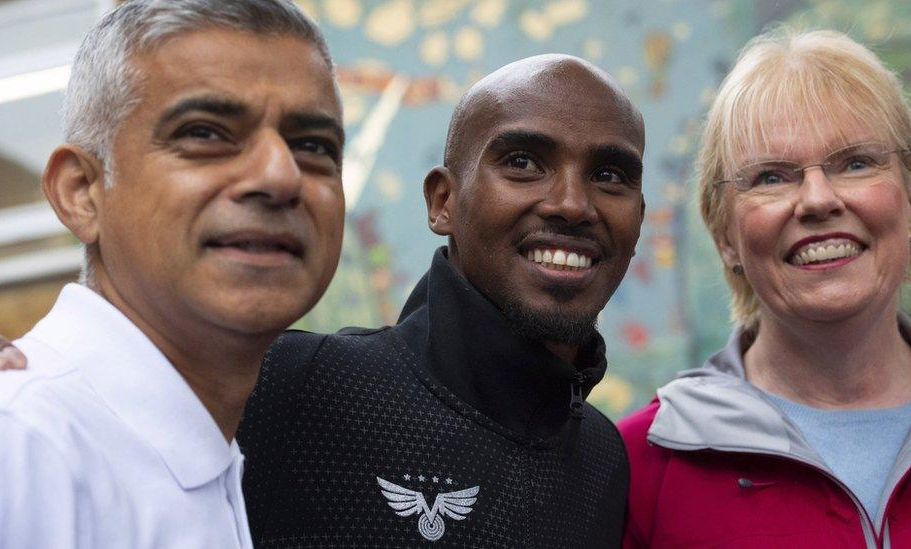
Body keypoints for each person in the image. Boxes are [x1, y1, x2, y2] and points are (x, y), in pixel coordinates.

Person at [236, 54, 645, 547]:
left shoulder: (603, 459)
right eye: (522, 163)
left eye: (609, 175)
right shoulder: (298, 386)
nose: (573, 204)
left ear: (639, 219)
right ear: (442, 202)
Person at [0, 1, 344, 547]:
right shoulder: (20, 442)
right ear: (81, 192)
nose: (281, 176)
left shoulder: (211, 449)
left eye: (313, 146)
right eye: (205, 133)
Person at [618, 28, 911, 547]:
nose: (817, 200)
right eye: (770, 177)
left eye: (855, 163)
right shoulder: (643, 465)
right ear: (726, 238)